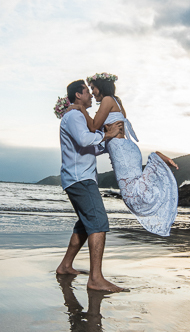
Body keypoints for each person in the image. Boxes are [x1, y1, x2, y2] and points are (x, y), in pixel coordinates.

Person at [71, 72, 179, 237]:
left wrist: (81, 109)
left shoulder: (107, 100)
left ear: (101, 87)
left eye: (93, 88)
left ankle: (155, 158)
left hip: (121, 149)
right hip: (126, 148)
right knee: (134, 194)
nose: (92, 92)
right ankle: (154, 159)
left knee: (132, 198)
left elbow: (93, 127)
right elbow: (100, 131)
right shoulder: (117, 101)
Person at [56, 79, 127, 292]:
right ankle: (96, 278)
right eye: (87, 91)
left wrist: (110, 140)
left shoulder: (76, 116)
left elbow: (91, 147)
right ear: (78, 95)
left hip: (78, 177)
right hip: (80, 179)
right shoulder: (74, 115)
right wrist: (106, 134)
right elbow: (84, 139)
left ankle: (65, 265)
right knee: (98, 221)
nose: (90, 94)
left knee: (85, 224)